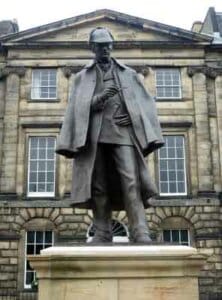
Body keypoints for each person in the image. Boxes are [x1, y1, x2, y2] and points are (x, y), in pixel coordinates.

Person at [56, 27, 164, 243]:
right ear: (92, 47)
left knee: (131, 180)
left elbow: (146, 105)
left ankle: (139, 230)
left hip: (122, 133)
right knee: (98, 184)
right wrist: (100, 98)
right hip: (93, 137)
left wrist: (132, 118)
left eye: (108, 45)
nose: (105, 49)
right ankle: (103, 231)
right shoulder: (80, 78)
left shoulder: (129, 74)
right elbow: (76, 109)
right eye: (100, 46)